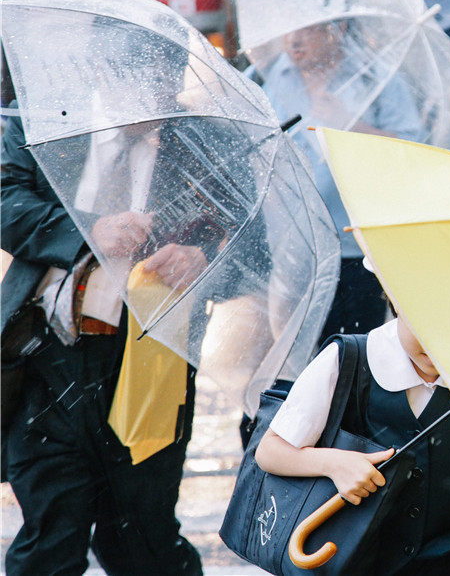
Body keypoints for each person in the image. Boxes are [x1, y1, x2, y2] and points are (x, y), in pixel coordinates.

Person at [1, 32, 267, 574]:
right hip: (48, 357)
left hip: (153, 359)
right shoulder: (47, 126)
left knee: (142, 538)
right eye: (135, 94)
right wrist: (88, 230)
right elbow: (6, 201)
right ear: (101, 80)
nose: (150, 112)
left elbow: (252, 244)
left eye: (161, 96)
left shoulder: (205, 143)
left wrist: (204, 261)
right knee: (50, 533)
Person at [255, 310, 450, 574]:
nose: (434, 345)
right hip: (353, 562)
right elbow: (270, 450)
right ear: (397, 305)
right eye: (423, 325)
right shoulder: (350, 358)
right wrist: (333, 464)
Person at [253, 20, 423, 343]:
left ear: (338, 29)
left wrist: (350, 125)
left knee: (356, 357)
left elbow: (411, 152)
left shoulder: (377, 78)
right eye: (289, 28)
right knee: (298, 360)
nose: (294, 38)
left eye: (309, 29)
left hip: (357, 245)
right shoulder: (271, 78)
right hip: (293, 247)